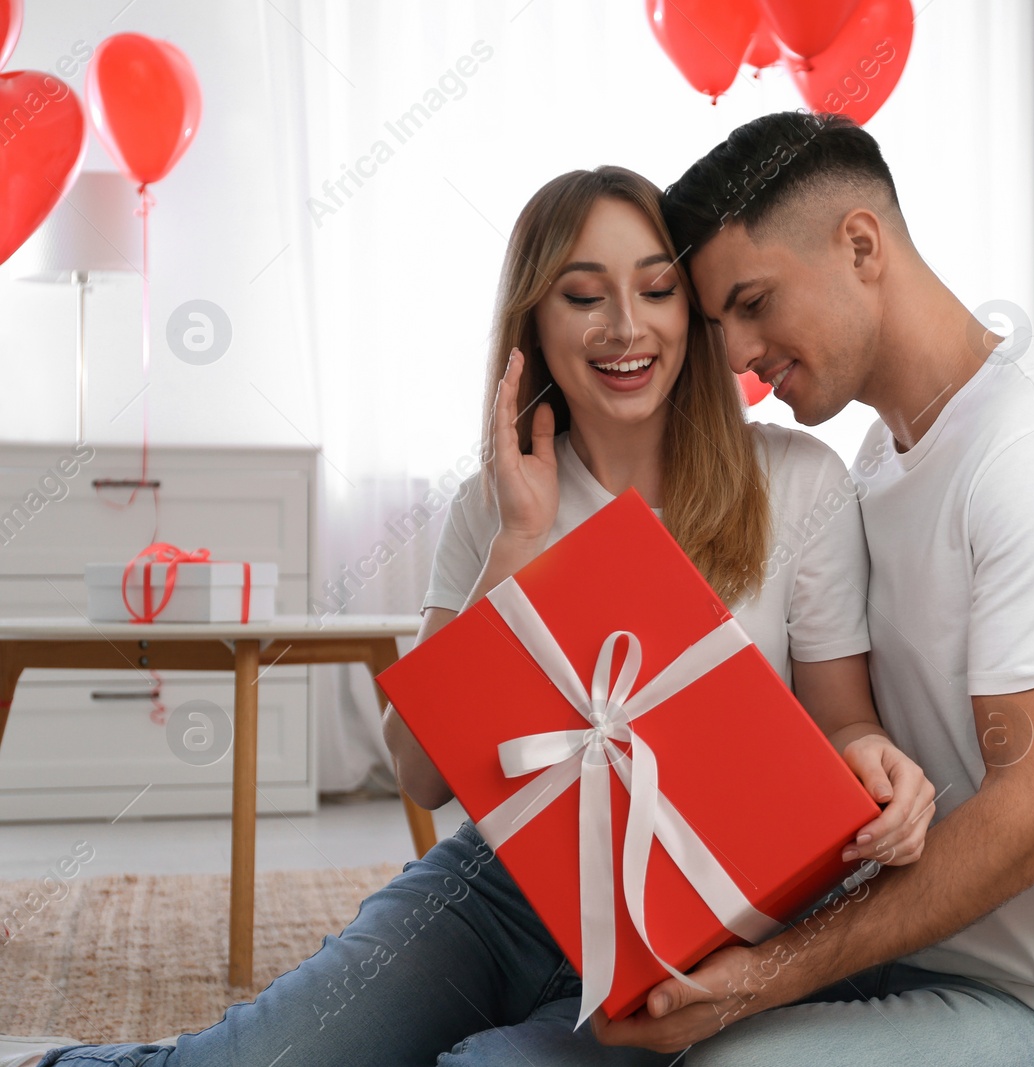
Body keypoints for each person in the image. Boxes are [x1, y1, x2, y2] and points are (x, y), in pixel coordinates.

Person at [1, 165, 934, 1067]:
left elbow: (840, 717)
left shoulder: (795, 481)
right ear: (533, 315)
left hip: (704, 915)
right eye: (582, 295)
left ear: (690, 309)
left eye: (656, 289)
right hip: (504, 888)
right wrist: (518, 543)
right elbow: (417, 770)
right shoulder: (494, 503)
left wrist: (871, 763)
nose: (625, 327)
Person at [585, 112, 1034, 1067]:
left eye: (753, 303)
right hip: (922, 952)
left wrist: (767, 975)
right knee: (623, 1005)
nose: (739, 355)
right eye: (721, 323)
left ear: (861, 245)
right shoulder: (880, 457)